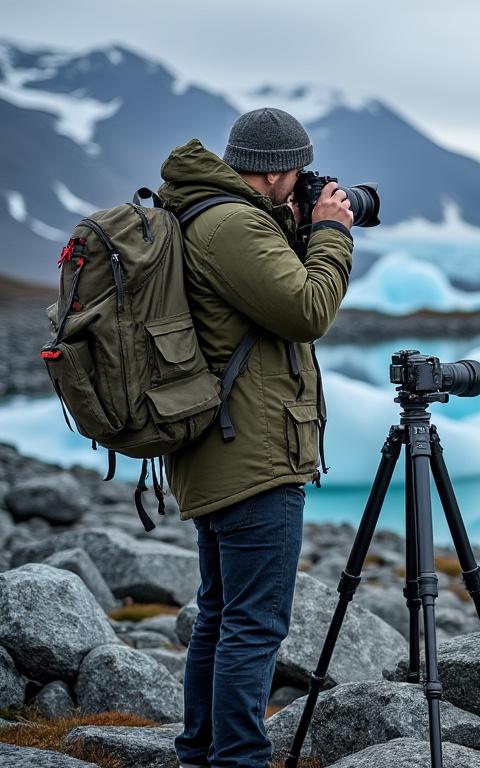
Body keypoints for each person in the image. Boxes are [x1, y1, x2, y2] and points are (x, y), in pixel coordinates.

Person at [156, 107, 354, 768]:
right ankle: (236, 759)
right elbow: (306, 310)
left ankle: (200, 752)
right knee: (253, 624)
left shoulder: (208, 214)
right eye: (297, 170)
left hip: (221, 446)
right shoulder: (232, 223)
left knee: (220, 615)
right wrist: (329, 233)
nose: (302, 182)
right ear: (277, 169)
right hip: (254, 453)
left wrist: (297, 230)